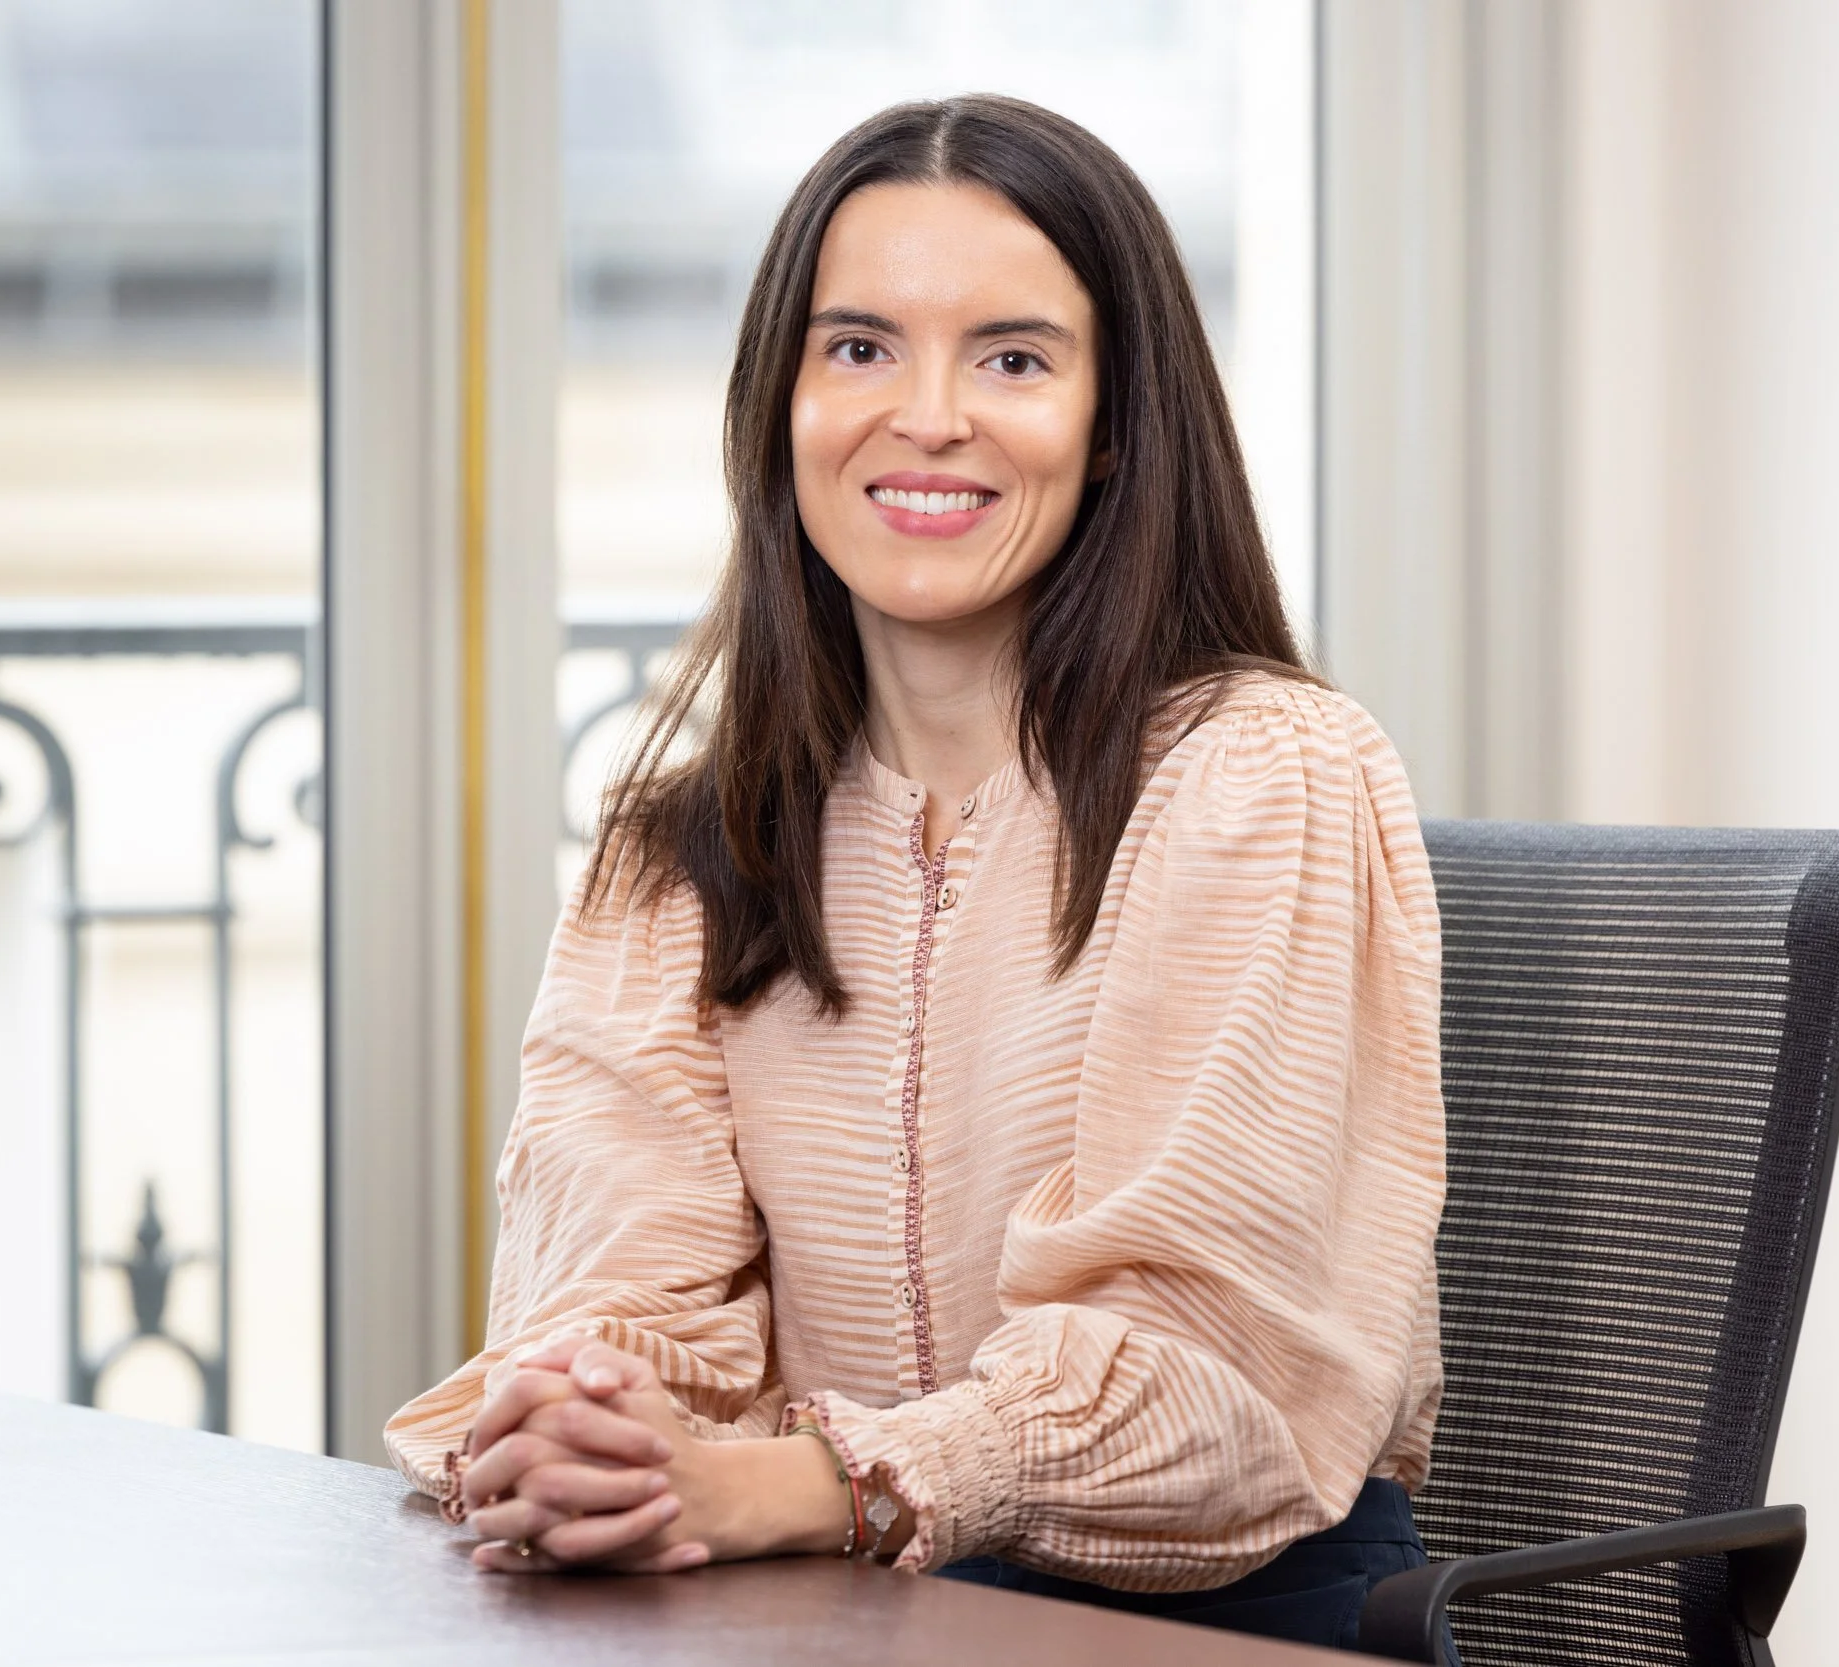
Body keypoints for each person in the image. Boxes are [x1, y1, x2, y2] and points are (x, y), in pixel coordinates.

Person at [386, 94, 1455, 1658]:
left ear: (1113, 428)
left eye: (1013, 359)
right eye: (861, 347)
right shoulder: (682, 851)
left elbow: (1215, 1374)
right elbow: (618, 1305)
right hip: (831, 1612)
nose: (930, 416)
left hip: (1223, 1622)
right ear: (782, 406)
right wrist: (590, 1429)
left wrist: (807, 1484)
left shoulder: (1258, 774)